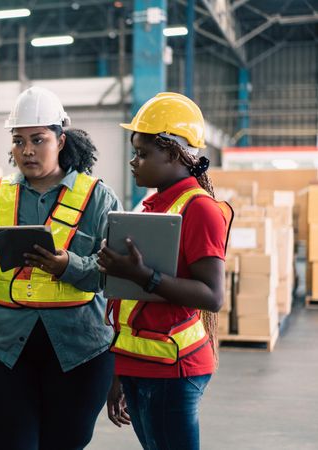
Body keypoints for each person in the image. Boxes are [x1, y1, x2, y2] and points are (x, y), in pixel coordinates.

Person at [0, 86, 122, 450]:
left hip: (78, 351)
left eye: (38, 139)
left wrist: (68, 265)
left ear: (61, 140)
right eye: (18, 141)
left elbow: (115, 274)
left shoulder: (98, 198)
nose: (27, 150)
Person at [100, 92, 233, 450]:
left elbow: (212, 296)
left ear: (173, 154)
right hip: (140, 363)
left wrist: (143, 275)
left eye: (143, 154)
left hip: (173, 367)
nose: (133, 162)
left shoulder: (200, 209)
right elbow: (130, 306)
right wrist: (120, 372)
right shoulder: (151, 206)